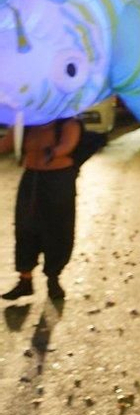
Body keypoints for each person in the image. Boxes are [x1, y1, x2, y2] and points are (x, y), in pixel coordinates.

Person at [0, 115, 84, 301]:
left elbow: (67, 146)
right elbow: (6, 144)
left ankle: (53, 279)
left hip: (58, 181)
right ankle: (25, 280)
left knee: (57, 230)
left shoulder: (68, 123)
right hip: (31, 179)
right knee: (25, 228)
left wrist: (53, 152)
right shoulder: (25, 123)